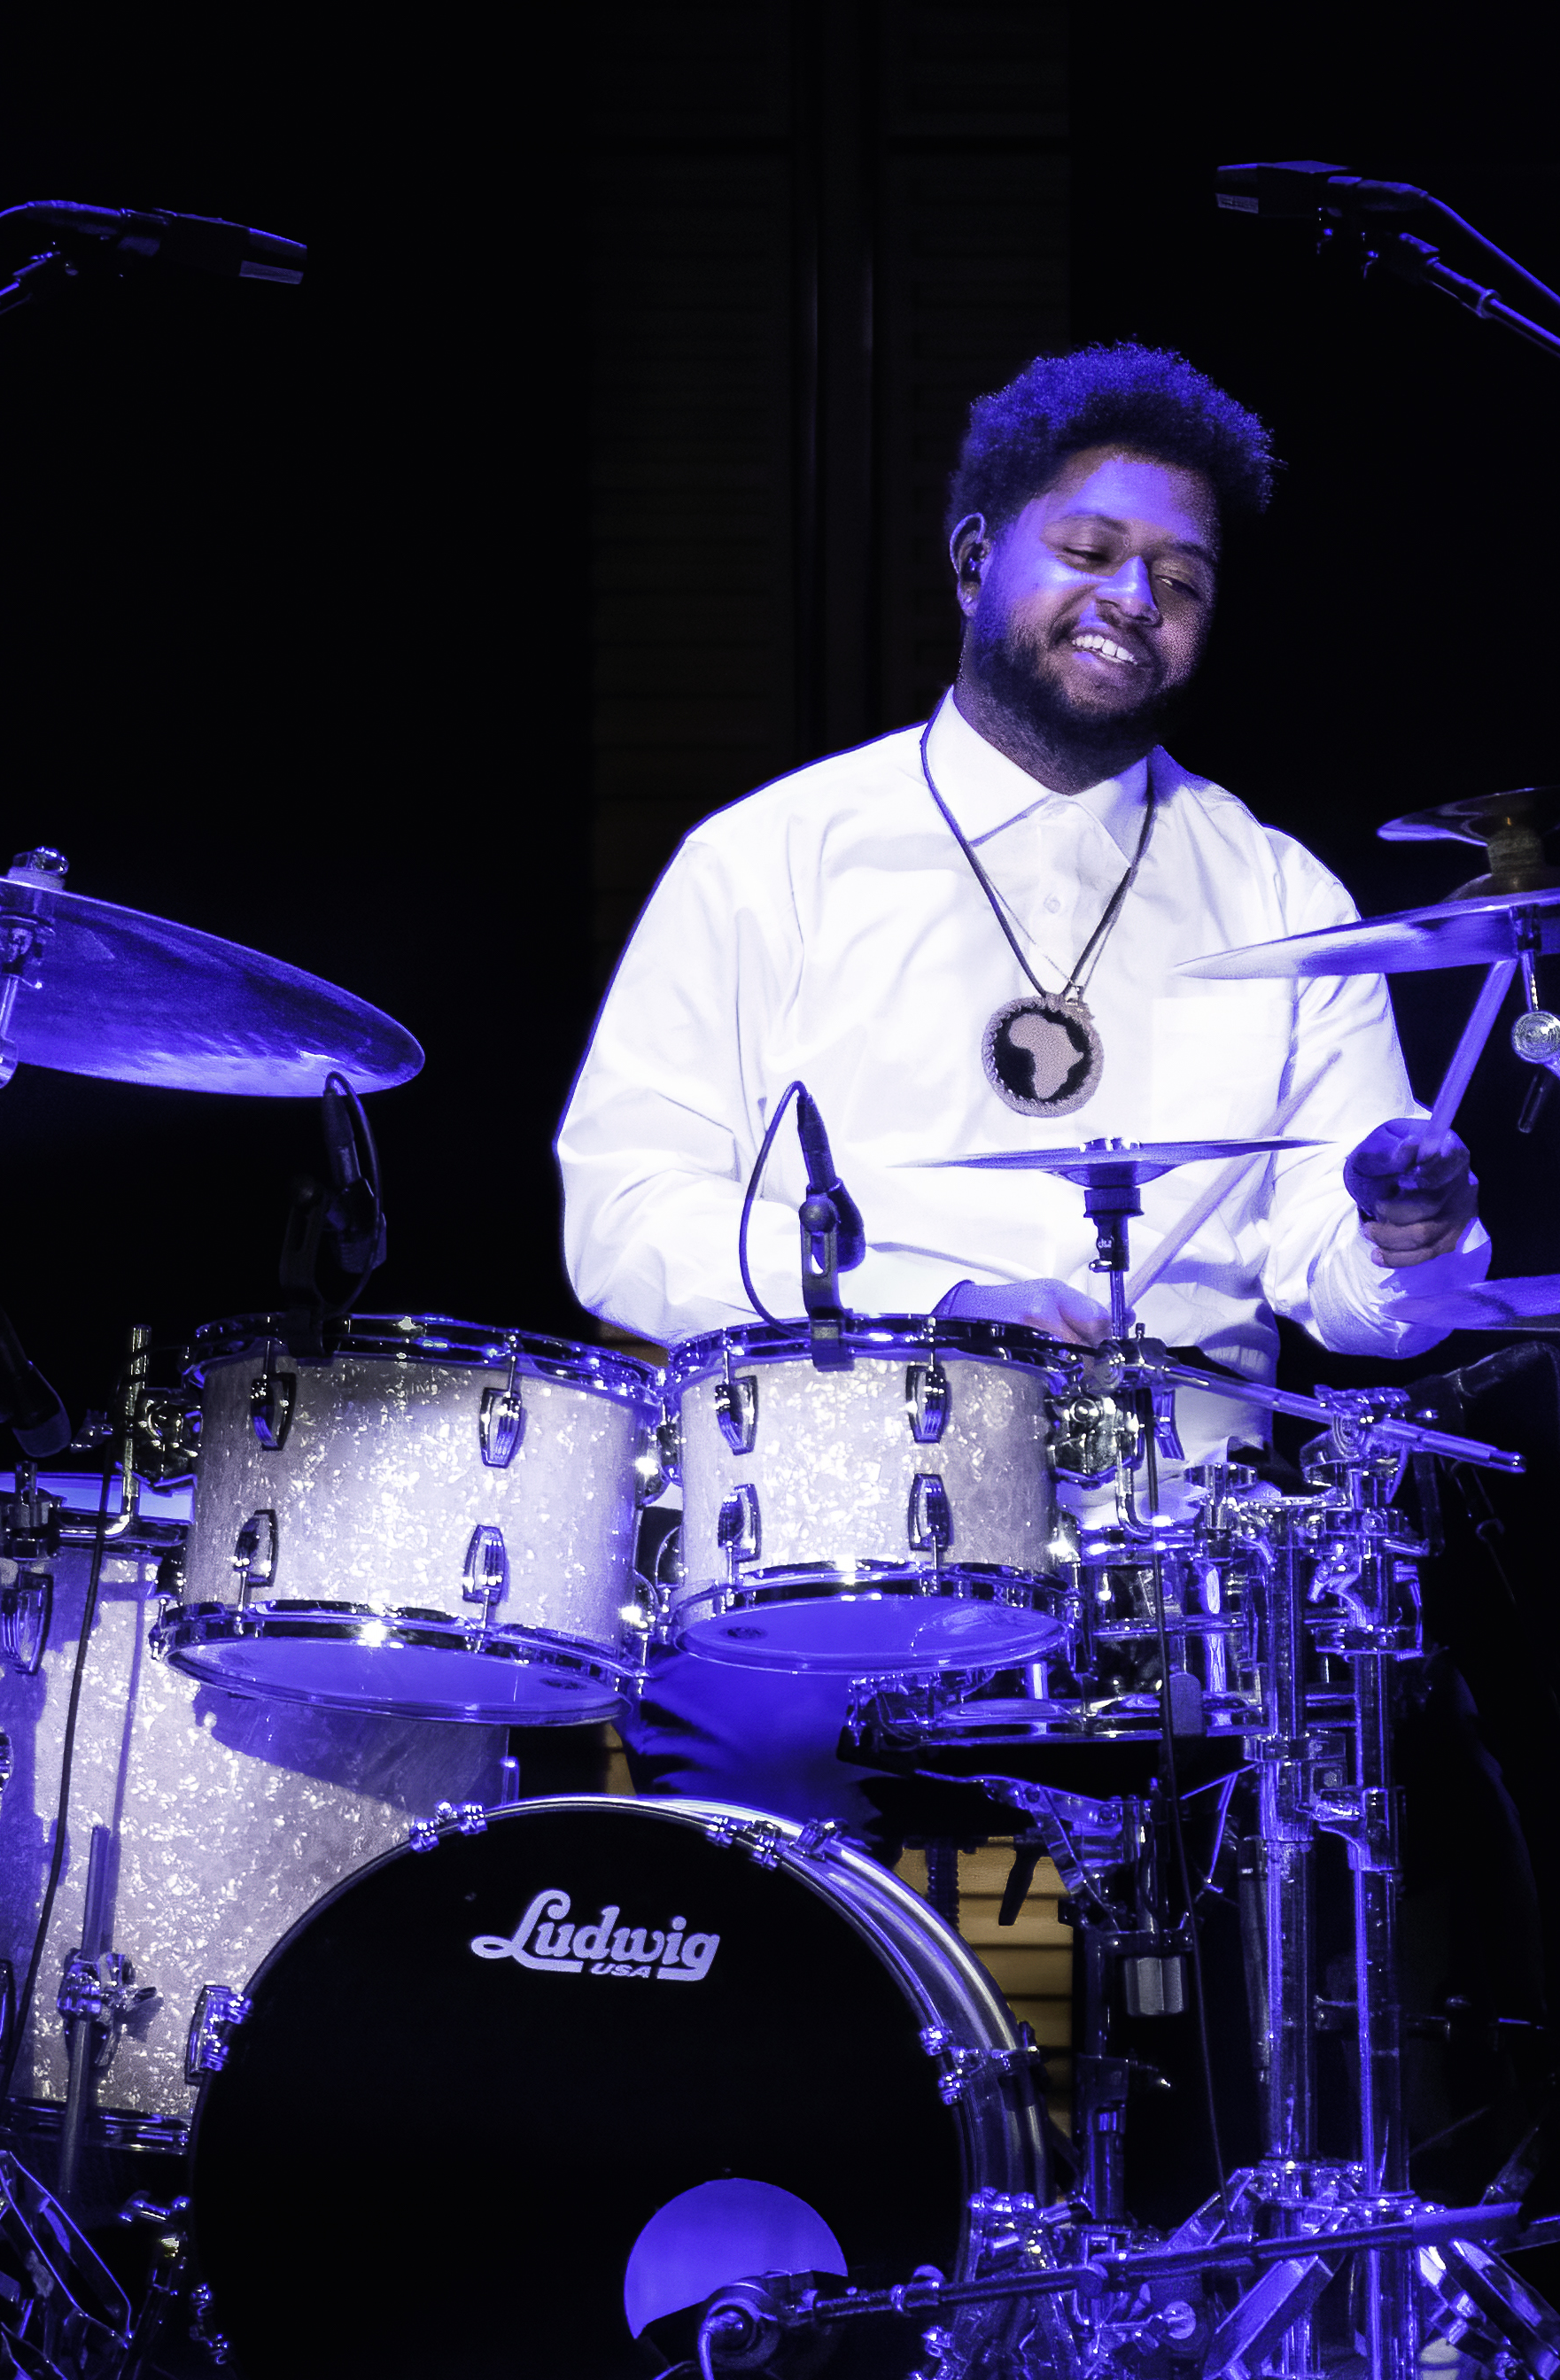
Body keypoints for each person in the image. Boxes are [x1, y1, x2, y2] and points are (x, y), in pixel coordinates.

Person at [556, 343, 1489, 1830]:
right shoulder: (772, 861)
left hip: (1176, 1576)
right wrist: (932, 1309)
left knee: (1375, 1808)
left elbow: (1344, 1289)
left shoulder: (1279, 892)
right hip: (836, 1540)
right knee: (749, 1797)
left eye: (1181, 581)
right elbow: (624, 1213)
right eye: (1093, 550)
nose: (1136, 599)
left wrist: (1407, 1236)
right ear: (978, 555)